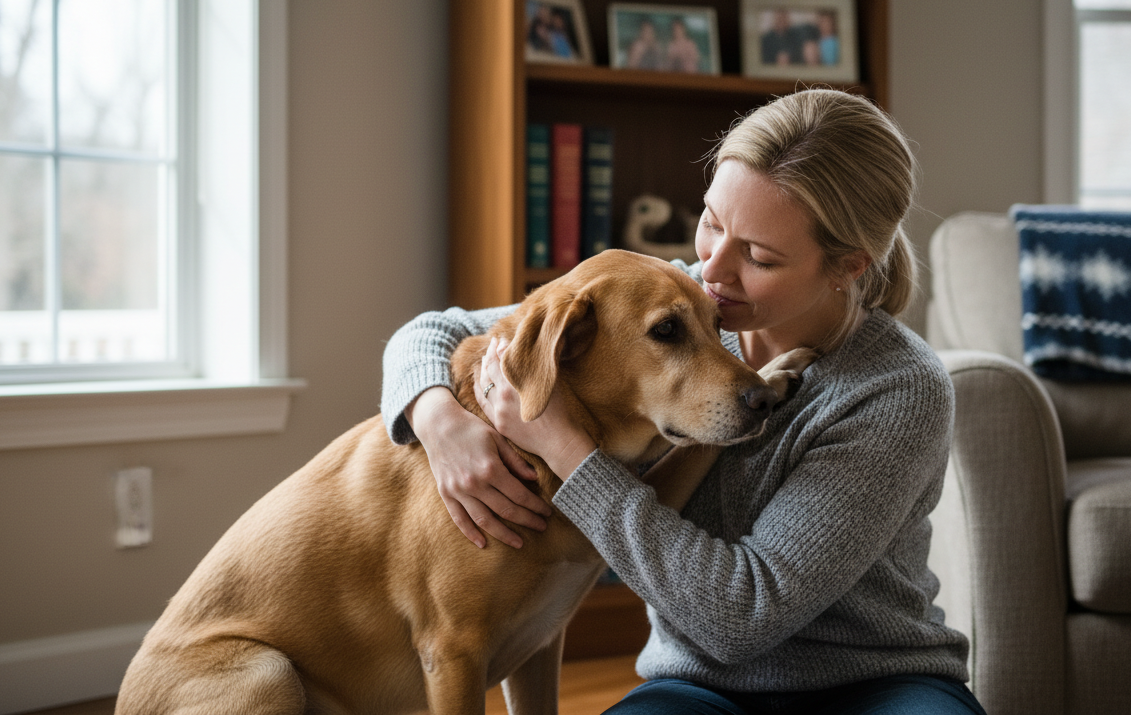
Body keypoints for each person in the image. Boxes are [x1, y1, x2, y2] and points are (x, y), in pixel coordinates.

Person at [381, 89, 984, 714]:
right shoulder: (675, 301)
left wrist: (563, 448)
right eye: (713, 223)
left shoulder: (896, 389)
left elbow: (741, 616)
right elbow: (434, 331)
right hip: (699, 688)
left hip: (878, 686)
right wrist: (438, 419)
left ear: (847, 267)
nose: (715, 270)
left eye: (758, 255)